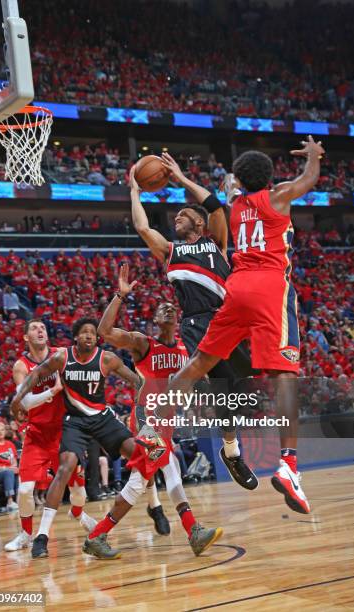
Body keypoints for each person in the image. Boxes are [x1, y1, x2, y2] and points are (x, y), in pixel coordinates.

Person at [159, 136, 326, 515]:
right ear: (269, 178)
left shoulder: (234, 205)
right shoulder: (278, 196)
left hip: (236, 288)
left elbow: (213, 196)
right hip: (269, 286)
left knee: (200, 362)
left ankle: (157, 418)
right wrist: (314, 154)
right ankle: (289, 465)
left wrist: (184, 178)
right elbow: (309, 179)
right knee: (285, 373)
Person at [130, 155, 259, 491]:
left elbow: (216, 206)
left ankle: (231, 452)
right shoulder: (170, 250)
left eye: (184, 215)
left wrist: (180, 177)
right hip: (196, 325)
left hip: (229, 320)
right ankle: (153, 423)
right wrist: (134, 191)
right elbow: (143, 228)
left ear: (199, 224)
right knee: (198, 382)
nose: (177, 218)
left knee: (233, 398)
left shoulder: (216, 241)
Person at [82, 267, 222, 557]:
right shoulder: (143, 343)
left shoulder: (187, 350)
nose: (168, 309)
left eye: (172, 307)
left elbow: (198, 381)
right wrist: (121, 295)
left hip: (167, 423)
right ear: (155, 320)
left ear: (178, 319)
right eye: (162, 308)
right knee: (142, 479)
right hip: (147, 419)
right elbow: (105, 332)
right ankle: (98, 536)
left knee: (168, 473)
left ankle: (192, 531)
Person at [5, 318, 96, 552]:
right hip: (37, 433)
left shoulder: (61, 355)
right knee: (25, 490)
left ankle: (77, 512)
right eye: (34, 328)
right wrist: (53, 391)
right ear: (26, 337)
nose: (40, 330)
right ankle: (26, 533)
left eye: (43, 328)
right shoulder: (21, 366)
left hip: (66, 432)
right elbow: (25, 402)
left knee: (79, 491)